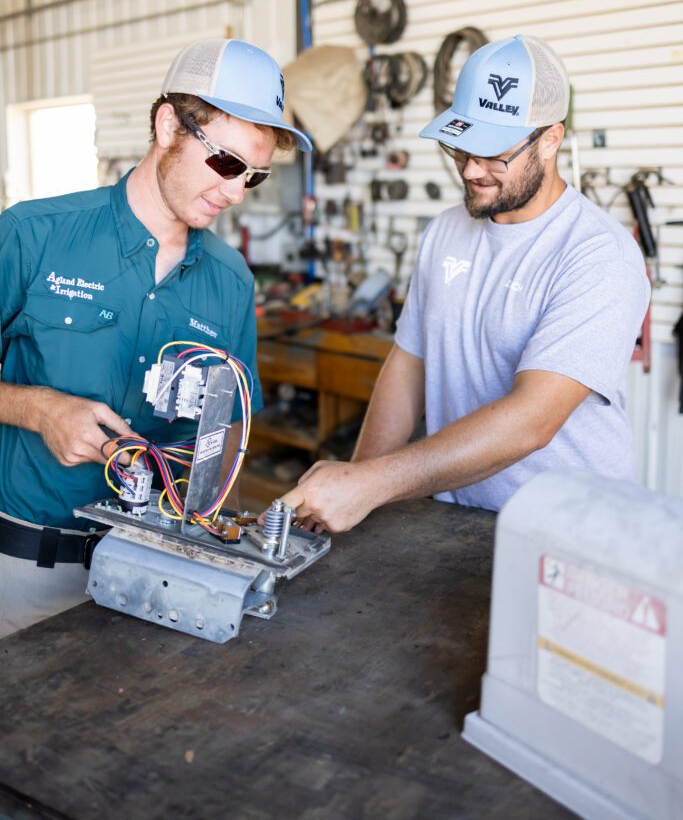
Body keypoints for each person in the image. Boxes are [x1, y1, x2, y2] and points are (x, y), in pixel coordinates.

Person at [0, 38, 311, 636]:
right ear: (169, 126)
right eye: (226, 162)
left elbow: (227, 434)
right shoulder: (33, 236)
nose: (236, 193)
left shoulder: (230, 282)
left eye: (256, 175)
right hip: (28, 573)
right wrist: (37, 408)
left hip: (160, 576)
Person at [283, 34, 650, 532]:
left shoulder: (599, 254)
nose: (472, 169)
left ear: (550, 139)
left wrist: (371, 485)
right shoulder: (445, 232)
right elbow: (408, 365)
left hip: (569, 534)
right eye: (460, 146)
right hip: (457, 525)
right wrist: (358, 481)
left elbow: (531, 420)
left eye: (494, 153)